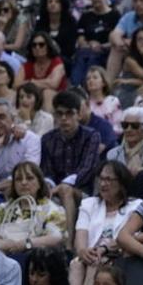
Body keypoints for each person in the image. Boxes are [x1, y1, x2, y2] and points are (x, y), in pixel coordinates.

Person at [70, 161, 143, 285]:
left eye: (108, 179)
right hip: (91, 255)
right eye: (101, 179)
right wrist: (83, 251)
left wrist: (103, 250)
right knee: (76, 263)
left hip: (117, 257)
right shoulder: (89, 204)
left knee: (95, 264)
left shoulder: (135, 206)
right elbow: (81, 232)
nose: (103, 184)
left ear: (121, 182)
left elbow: (130, 237)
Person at [41, 92, 101, 243]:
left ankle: (68, 245)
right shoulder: (47, 139)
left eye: (69, 113)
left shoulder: (91, 136)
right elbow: (47, 171)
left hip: (85, 192)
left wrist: (62, 185)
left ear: (79, 115)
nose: (64, 118)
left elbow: (87, 169)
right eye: (59, 114)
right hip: (55, 190)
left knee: (65, 190)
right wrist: (49, 186)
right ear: (54, 116)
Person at [0, 161, 67, 264]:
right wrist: (6, 245)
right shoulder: (1, 210)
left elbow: (56, 238)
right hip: (4, 255)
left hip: (36, 260)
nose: (24, 183)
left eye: (29, 178)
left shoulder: (51, 210)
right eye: (18, 179)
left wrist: (25, 244)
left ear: (39, 183)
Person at [105, 106, 143, 198]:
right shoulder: (112, 154)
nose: (128, 129)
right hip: (119, 197)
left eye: (135, 126)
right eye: (125, 125)